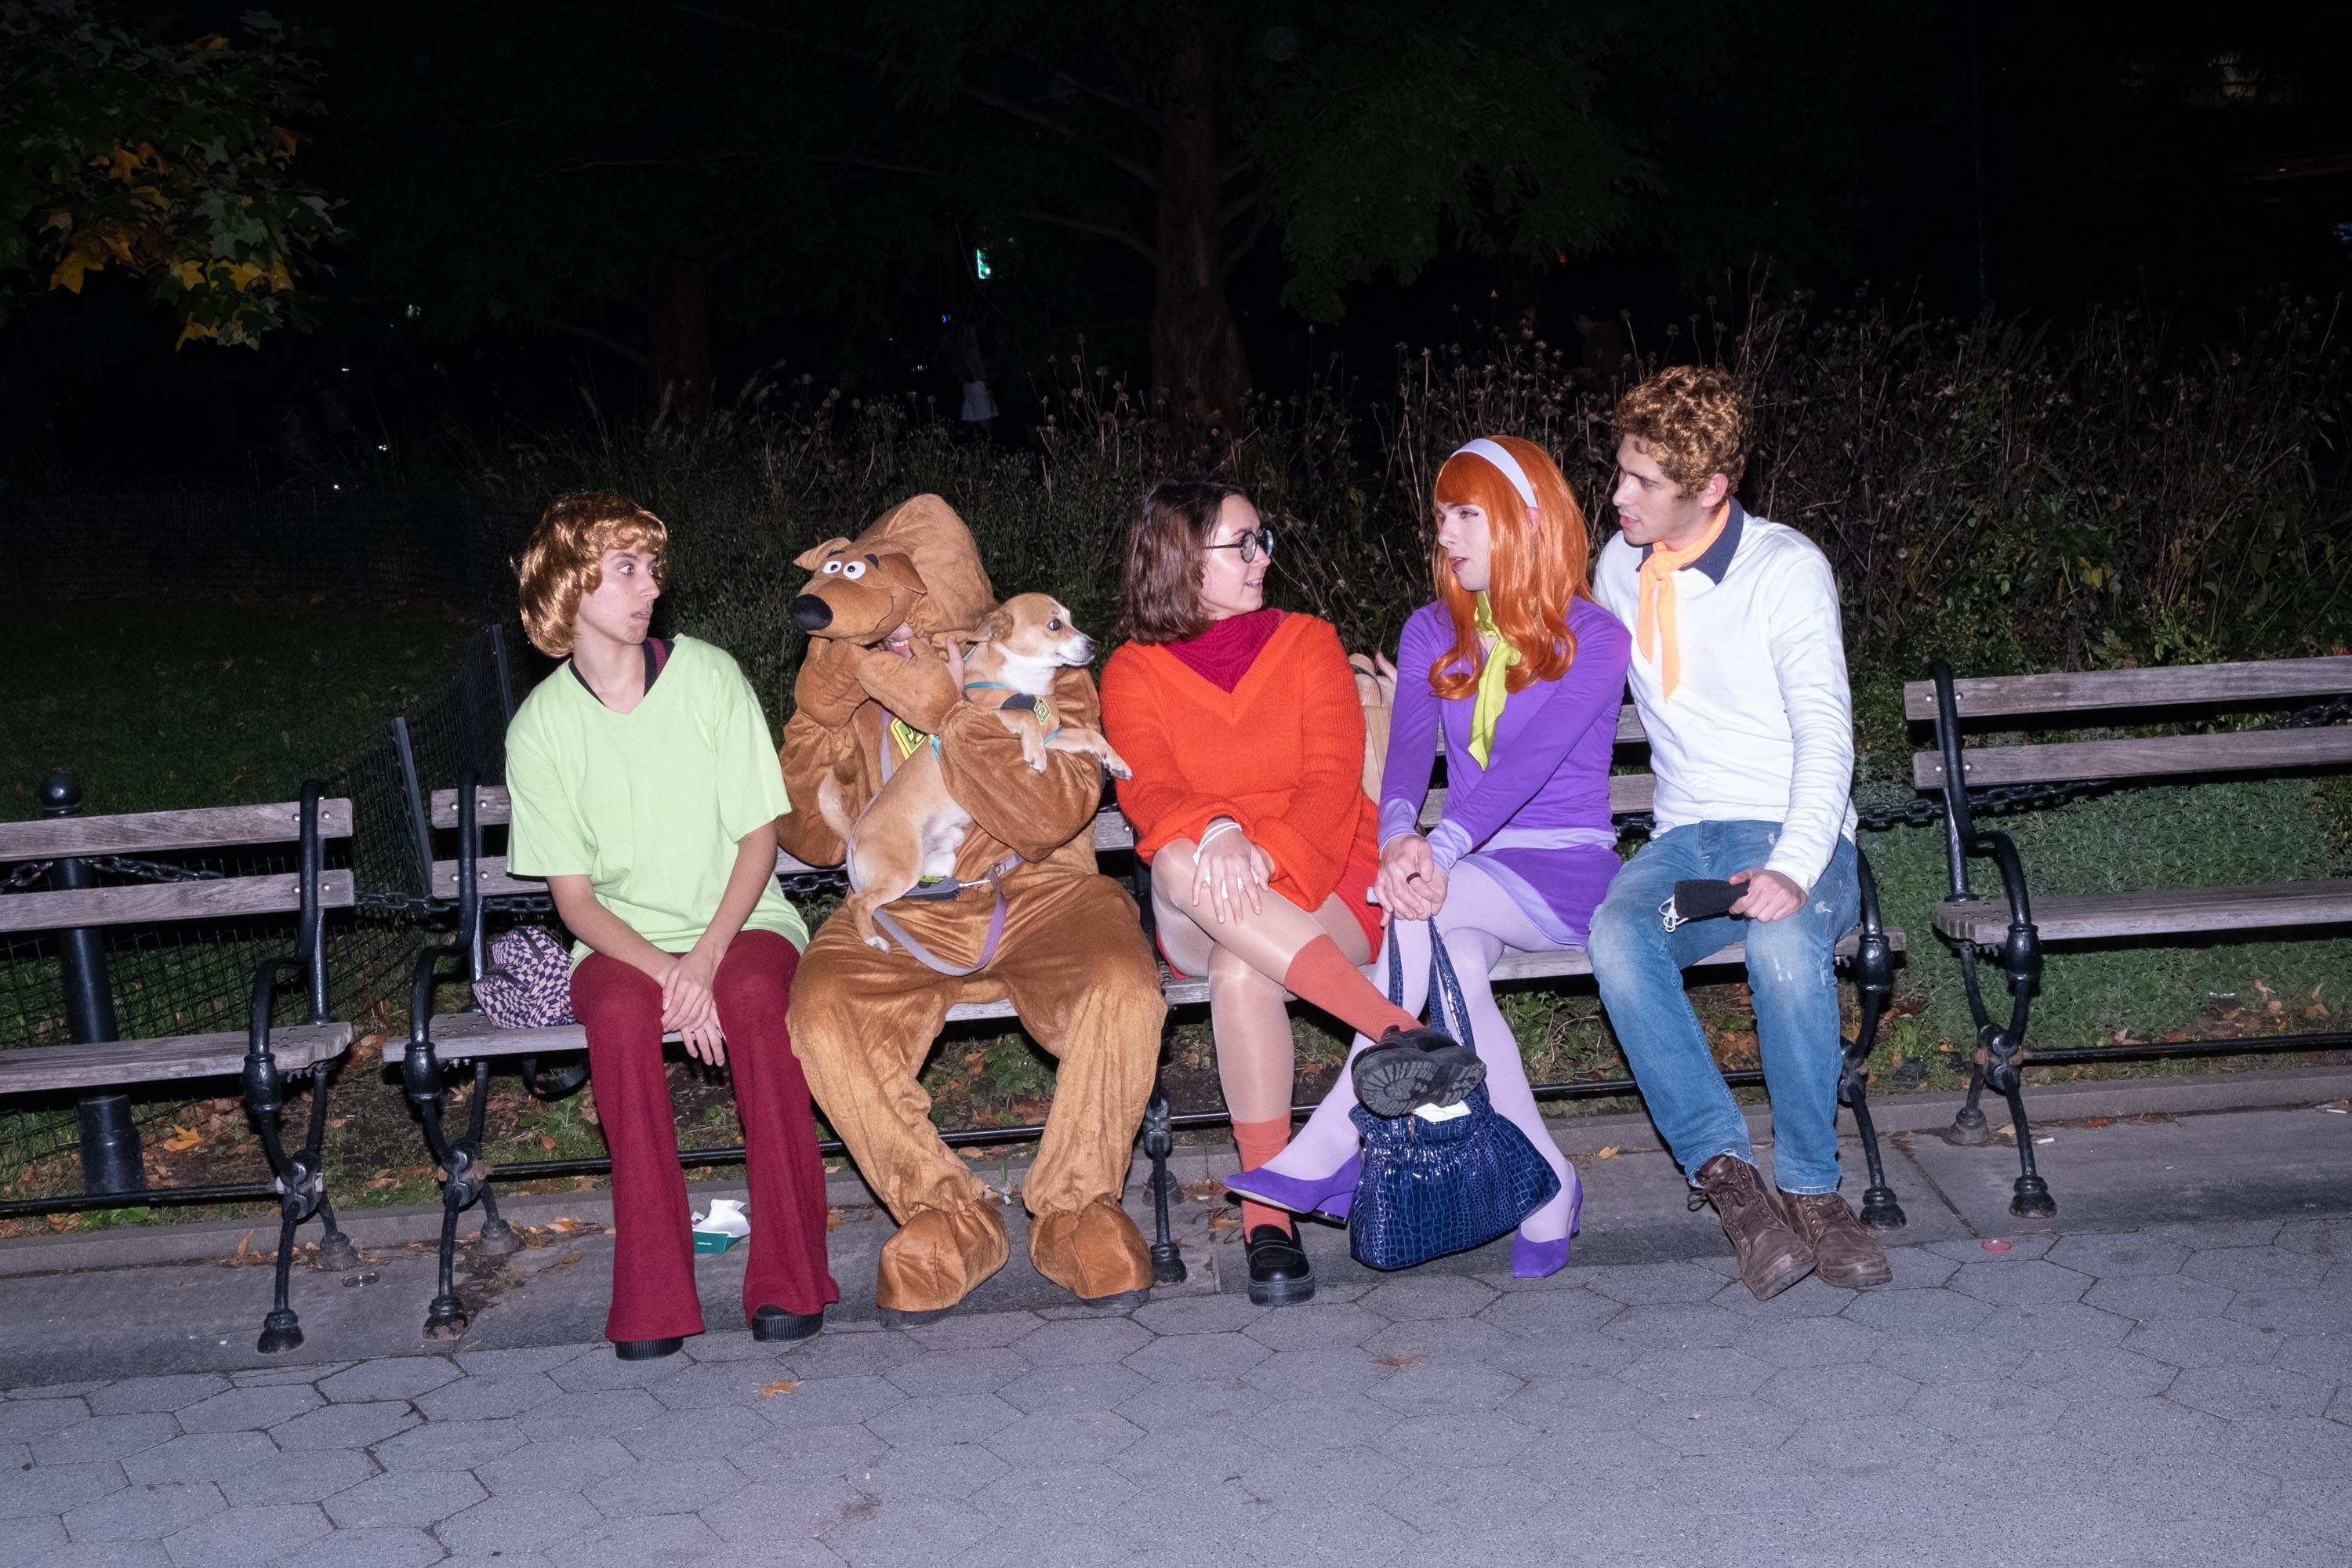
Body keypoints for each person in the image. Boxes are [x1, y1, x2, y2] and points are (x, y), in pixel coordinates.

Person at [1226, 437, 1631, 1279]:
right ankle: (1551, 1182)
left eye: (1467, 514)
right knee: (1443, 951)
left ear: (1526, 519)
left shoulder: (1593, 635)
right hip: (1466, 870)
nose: (1446, 532)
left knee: (1422, 907)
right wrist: (1402, 836)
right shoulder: (1429, 631)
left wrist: (1436, 847)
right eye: (1441, 515)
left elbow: (1528, 768)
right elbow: (1407, 755)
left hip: (1561, 869)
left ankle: (1336, 1139)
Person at [778, 495, 1167, 1323]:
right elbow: (811, 837)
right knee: (822, 1008)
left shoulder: (1052, 668)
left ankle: (1074, 1206)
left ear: (979, 626)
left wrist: (956, 709)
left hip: (1040, 894)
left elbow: (1048, 813)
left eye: (941, 634)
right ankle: (947, 1215)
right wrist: (820, 711)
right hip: (905, 908)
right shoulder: (865, 680)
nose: (914, 649)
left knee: (1122, 984)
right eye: (897, 637)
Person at [1100, 481, 1474, 1305]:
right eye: (1241, 543)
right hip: (1201, 881)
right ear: (1177, 559)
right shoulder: (1131, 671)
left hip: (1324, 867)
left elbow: (1334, 782)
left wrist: (1266, 855)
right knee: (1173, 859)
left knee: (1243, 970)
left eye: (1261, 537)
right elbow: (1151, 795)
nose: (1262, 555)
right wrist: (1225, 828)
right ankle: (1405, 1034)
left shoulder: (1307, 641)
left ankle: (1266, 1210)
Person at [503, 491, 840, 1361]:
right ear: (570, 587)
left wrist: (706, 960)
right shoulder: (540, 728)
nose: (648, 585)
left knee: (759, 995)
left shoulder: (709, 675)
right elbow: (574, 900)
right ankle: (653, 1295)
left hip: (741, 916)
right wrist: (670, 972)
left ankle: (792, 1278)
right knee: (615, 1015)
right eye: (625, 569)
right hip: (620, 938)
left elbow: (759, 838)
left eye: (652, 567)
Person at [1585, 366, 1893, 1299]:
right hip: (1689, 845)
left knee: (1785, 941)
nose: (1619, 495)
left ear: (1710, 488)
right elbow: (1558, 682)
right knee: (1618, 932)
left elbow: (1825, 731)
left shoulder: (1785, 568)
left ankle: (1812, 1188)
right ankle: (1731, 1183)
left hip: (1804, 836)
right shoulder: (1617, 569)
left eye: (1643, 481)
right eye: (1621, 471)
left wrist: (1795, 867)